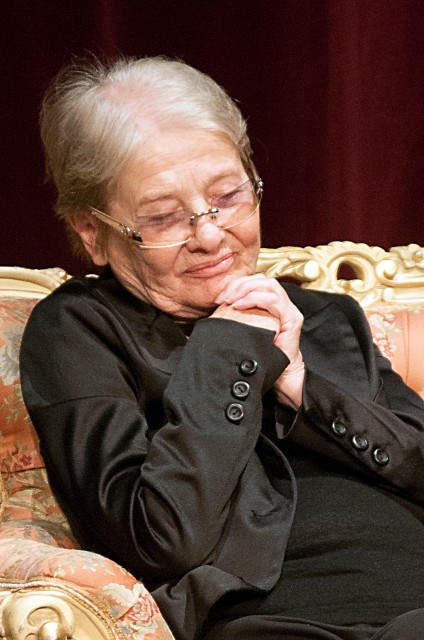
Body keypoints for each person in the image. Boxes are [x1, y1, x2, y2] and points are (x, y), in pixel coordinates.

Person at [20, 56, 424, 640]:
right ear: (93, 232)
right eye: (164, 217)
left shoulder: (323, 316)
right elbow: (163, 537)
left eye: (229, 195)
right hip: (287, 622)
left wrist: (302, 388)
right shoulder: (80, 331)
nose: (211, 235)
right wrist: (228, 350)